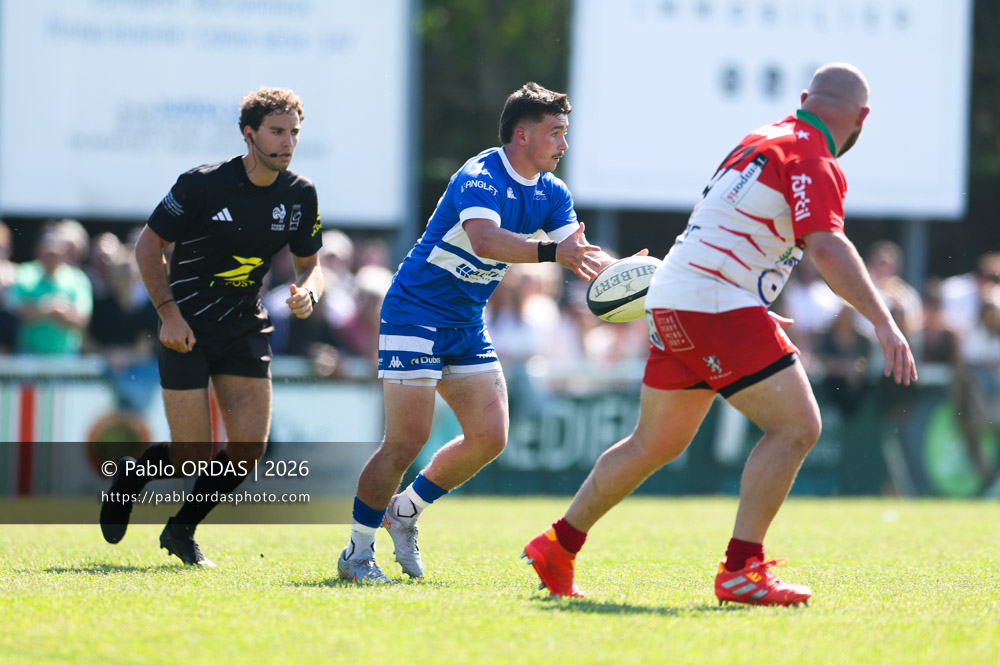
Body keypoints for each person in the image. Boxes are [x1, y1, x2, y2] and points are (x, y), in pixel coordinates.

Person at [522, 63, 918, 605]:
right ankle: (742, 570)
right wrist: (884, 318)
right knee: (797, 426)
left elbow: (721, 224)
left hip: (675, 298)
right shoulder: (811, 156)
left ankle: (558, 545)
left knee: (654, 443)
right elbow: (826, 246)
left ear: (804, 98)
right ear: (862, 119)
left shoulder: (760, 139)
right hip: (711, 303)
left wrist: (743, 305)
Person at [337, 82, 627, 583]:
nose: (563, 143)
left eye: (565, 133)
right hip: (415, 312)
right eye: (555, 133)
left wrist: (627, 275)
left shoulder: (553, 193)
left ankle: (402, 512)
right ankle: (356, 554)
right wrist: (552, 254)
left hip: (465, 320)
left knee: (491, 436)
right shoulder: (481, 175)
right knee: (405, 442)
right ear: (522, 135)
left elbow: (578, 251)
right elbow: (486, 240)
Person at [99, 87, 324, 566]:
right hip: (188, 328)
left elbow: (309, 264)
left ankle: (181, 531)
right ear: (249, 134)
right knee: (190, 457)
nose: (288, 142)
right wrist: (169, 314)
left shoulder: (300, 194)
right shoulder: (202, 184)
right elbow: (147, 246)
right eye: (277, 132)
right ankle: (131, 477)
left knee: (249, 450)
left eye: (295, 133)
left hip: (244, 327)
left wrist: (310, 290)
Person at [7, 225, 92, 355]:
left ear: (64, 253)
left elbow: (83, 318)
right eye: (48, 253)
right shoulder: (24, 273)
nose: (51, 258)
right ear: (38, 251)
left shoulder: (78, 278)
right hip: (28, 354)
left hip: (66, 355)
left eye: (55, 253)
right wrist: (48, 308)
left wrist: (61, 312)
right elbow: (15, 312)